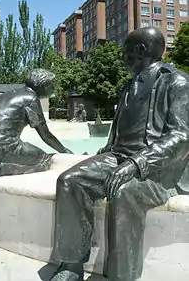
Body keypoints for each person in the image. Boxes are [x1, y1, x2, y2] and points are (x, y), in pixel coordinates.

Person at [50, 27, 189, 281]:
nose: (123, 58)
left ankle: (120, 277)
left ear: (141, 51)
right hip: (117, 158)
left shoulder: (175, 82)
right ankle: (71, 265)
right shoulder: (129, 85)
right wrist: (104, 155)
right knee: (70, 182)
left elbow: (181, 137)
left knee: (124, 193)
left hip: (156, 169)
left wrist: (137, 163)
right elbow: (122, 131)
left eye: (126, 52)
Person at [0, 68, 73, 179]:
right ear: (43, 86)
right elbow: (45, 135)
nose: (53, 88)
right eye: (51, 85)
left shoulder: (12, 93)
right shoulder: (31, 98)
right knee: (44, 160)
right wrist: (64, 150)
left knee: (21, 154)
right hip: (2, 144)